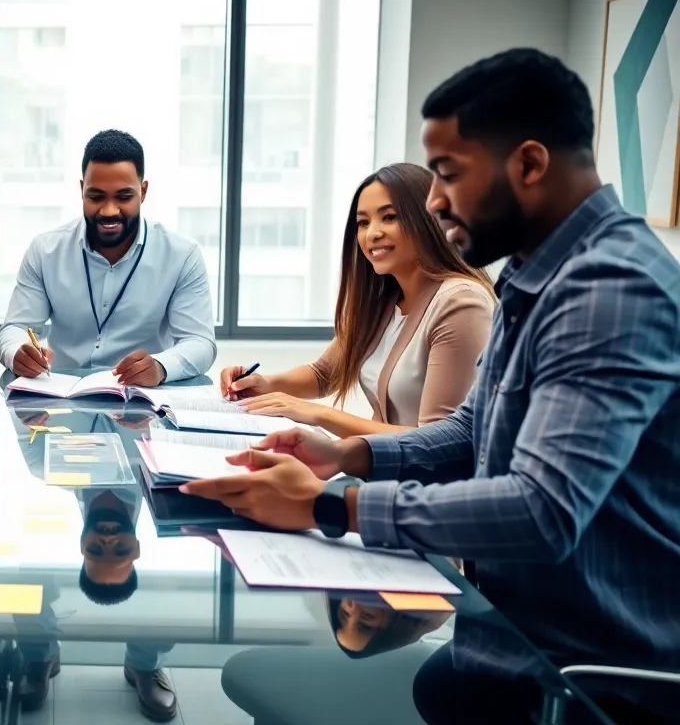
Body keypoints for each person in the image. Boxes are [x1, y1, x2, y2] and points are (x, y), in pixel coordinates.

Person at [183, 49, 680, 724]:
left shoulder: (608, 289)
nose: (436, 200)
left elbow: (542, 511)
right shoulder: (537, 275)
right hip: (515, 633)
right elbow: (469, 431)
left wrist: (336, 508)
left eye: (447, 175)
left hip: (587, 674)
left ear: (530, 165)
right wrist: (344, 457)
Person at [218, 163, 495, 437]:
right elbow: (325, 374)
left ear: (428, 219)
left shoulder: (461, 303)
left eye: (389, 217)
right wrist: (264, 384)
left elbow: (438, 442)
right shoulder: (382, 300)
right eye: (363, 222)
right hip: (379, 471)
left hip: (424, 479)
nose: (372, 234)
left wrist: (319, 414)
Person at [0, 129, 216, 385]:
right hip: (64, 403)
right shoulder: (45, 250)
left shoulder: (181, 256)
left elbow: (200, 343)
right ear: (82, 190)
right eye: (96, 196)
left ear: (143, 192)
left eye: (124, 197)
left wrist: (160, 367)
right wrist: (17, 353)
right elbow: (14, 329)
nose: (109, 210)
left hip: (144, 402)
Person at [5, 404, 179, 721]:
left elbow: (19, 411)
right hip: (131, 383)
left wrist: (30, 412)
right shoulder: (164, 472)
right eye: (119, 551)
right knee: (29, 575)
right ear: (135, 547)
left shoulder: (46, 470)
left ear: (83, 546)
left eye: (96, 551)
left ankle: (144, 663)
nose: (108, 541)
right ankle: (39, 655)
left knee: (26, 573)